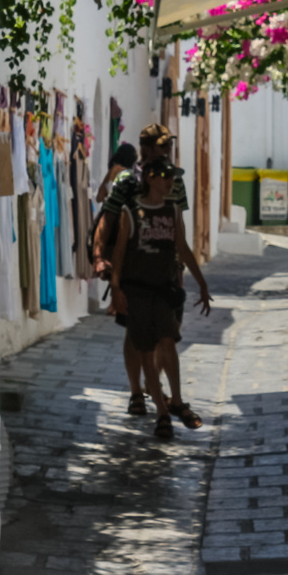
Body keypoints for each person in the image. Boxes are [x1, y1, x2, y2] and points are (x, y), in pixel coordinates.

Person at [94, 124, 205, 425]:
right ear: (147, 149)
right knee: (135, 332)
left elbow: (177, 227)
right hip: (134, 273)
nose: (167, 152)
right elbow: (108, 219)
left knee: (165, 336)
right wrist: (99, 258)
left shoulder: (174, 182)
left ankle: (162, 397)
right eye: (162, 147)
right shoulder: (127, 182)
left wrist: (180, 270)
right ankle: (137, 393)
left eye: (169, 147)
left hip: (166, 274)